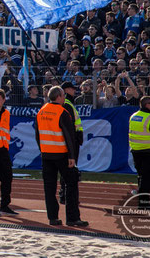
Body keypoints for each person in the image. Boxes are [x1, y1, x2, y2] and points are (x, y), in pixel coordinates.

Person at [35, 86, 88, 227]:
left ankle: (53, 218)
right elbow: (69, 136)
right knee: (71, 184)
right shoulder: (62, 112)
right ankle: (72, 218)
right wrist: (72, 156)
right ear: (58, 97)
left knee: (49, 187)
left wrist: (43, 150)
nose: (65, 98)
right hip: (62, 154)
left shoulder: (41, 111)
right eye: (63, 95)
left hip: (46, 155)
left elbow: (37, 135)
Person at [59, 82, 84, 205]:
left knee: (68, 169)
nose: (74, 91)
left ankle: (64, 194)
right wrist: (75, 139)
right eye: (72, 89)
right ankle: (66, 195)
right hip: (71, 141)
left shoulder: (68, 103)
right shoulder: (67, 104)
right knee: (69, 169)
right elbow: (70, 125)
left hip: (71, 140)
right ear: (66, 90)